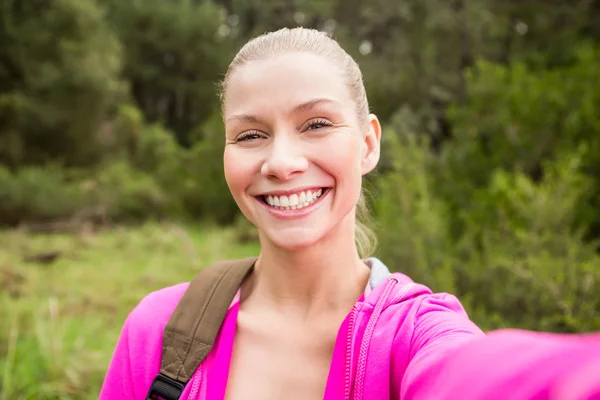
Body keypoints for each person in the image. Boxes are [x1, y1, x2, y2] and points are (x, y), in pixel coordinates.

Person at [99, 27, 600, 400]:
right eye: (251, 134)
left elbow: (479, 376)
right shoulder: (160, 332)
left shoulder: (415, 334)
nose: (281, 162)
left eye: (315, 124)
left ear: (368, 144)